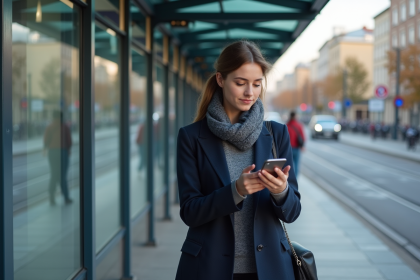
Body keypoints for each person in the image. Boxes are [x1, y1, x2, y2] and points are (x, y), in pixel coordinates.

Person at [175, 41, 301, 280]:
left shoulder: (276, 134)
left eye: (256, 84)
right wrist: (235, 191)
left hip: (270, 269)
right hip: (209, 268)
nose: (250, 93)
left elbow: (292, 211)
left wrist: (282, 191)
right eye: (240, 83)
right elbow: (189, 212)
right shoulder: (191, 137)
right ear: (220, 80)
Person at [43, 111, 73, 205]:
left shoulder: (49, 127)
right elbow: (69, 142)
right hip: (63, 152)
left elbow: (46, 141)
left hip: (52, 152)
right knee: (62, 176)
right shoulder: (65, 127)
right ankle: (66, 197)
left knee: (54, 174)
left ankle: (51, 196)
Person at [286, 111, 305, 177]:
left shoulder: (287, 125)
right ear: (295, 116)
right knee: (296, 164)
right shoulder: (299, 125)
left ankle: (289, 178)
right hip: (296, 148)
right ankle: (295, 179)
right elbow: (302, 136)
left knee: (288, 165)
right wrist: (302, 146)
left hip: (288, 149)